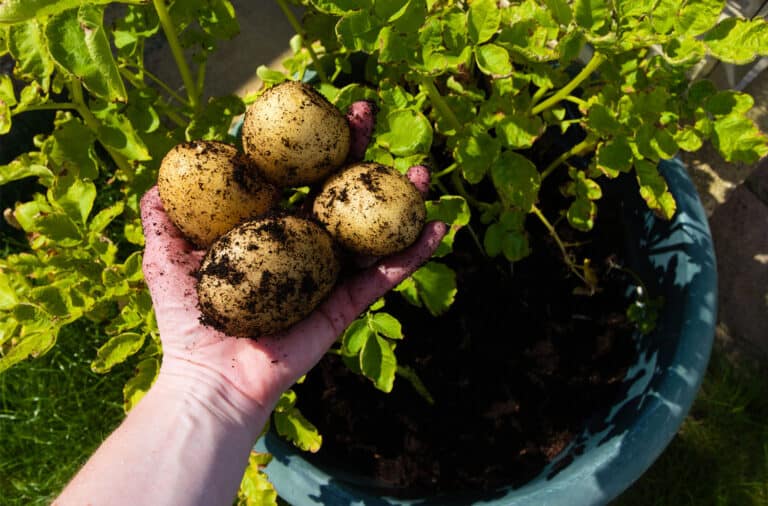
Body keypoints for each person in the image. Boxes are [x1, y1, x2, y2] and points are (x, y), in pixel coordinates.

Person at [53, 106, 447, 506]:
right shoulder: (291, 247)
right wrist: (205, 382)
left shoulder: (310, 230)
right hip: (293, 249)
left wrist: (202, 387)